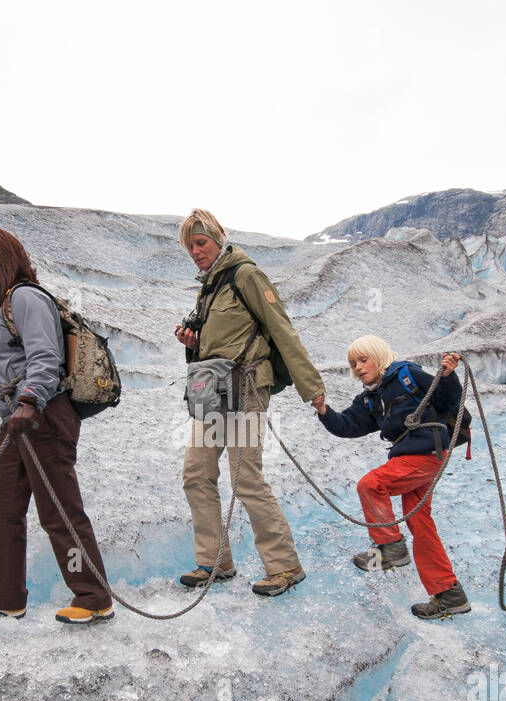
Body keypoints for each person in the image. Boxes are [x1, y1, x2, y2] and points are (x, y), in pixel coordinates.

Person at [0, 225, 112, 624]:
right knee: (2, 509)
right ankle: (2, 595)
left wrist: (29, 400)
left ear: (5, 261)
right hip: (18, 420)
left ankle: (94, 598)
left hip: (42, 415)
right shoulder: (2, 305)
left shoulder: (25, 298)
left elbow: (46, 357)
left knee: (59, 509)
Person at [173, 210, 326, 597]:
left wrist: (312, 387)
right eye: (190, 245)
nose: (195, 251)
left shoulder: (246, 276)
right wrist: (193, 344)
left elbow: (281, 329)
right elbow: (217, 348)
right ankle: (215, 561)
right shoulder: (208, 288)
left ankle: (285, 566)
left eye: (201, 242)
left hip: (246, 391)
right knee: (196, 473)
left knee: (246, 478)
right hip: (212, 392)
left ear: (219, 238)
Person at [314, 337, 469, 619]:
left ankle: (390, 549)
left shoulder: (407, 375)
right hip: (415, 456)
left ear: (379, 356)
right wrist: (324, 411)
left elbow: (449, 400)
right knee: (420, 522)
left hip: (425, 452)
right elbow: (349, 425)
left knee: (372, 484)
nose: (358, 367)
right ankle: (449, 594)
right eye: (353, 364)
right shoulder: (370, 398)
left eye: (363, 360)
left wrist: (447, 376)